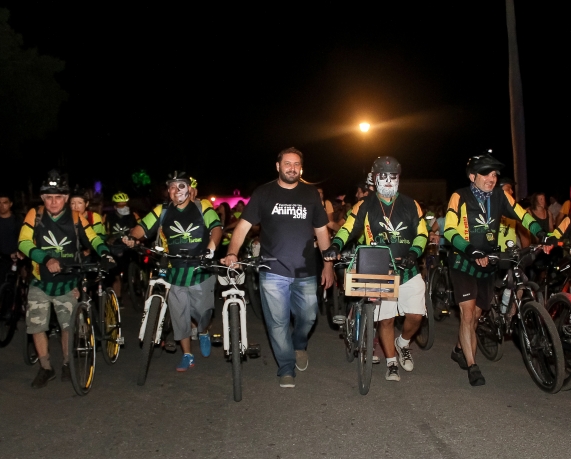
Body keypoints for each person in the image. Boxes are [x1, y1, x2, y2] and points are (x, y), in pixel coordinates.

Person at [221, 147, 334, 388]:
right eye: (287, 163)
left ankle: (299, 344)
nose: (292, 168)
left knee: (309, 316)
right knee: (278, 322)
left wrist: (328, 265)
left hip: (305, 270)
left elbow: (322, 231)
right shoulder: (264, 193)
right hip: (272, 270)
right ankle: (285, 367)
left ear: (300, 168)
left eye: (296, 164)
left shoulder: (311, 193)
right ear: (278, 166)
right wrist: (232, 252)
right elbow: (242, 227)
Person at [443, 153, 553, 386]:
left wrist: (541, 232)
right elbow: (450, 230)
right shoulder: (459, 196)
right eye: (486, 173)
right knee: (468, 313)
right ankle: (472, 366)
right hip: (463, 262)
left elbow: (523, 216)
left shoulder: (500, 196)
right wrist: (471, 250)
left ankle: (458, 348)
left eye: (494, 174)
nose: (492, 178)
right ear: (473, 176)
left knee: (475, 319)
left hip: (488, 263)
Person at [324, 156, 428, 381]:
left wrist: (414, 253)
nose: (389, 181)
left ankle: (403, 343)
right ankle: (391, 363)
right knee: (386, 319)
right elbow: (348, 228)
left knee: (417, 315)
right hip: (378, 270)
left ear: (399, 178)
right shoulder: (365, 205)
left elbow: (422, 233)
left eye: (393, 176)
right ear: (375, 178)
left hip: (408, 268)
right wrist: (335, 245)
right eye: (384, 176)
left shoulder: (411, 204)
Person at [19, 170, 113, 388]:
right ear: (42, 198)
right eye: (49, 197)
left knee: (67, 327)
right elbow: (23, 242)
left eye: (59, 197)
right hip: (40, 281)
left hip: (67, 283)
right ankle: (45, 368)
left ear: (66, 198)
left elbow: (93, 238)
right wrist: (46, 258)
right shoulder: (36, 214)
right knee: (36, 326)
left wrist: (105, 253)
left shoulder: (75, 217)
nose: (54, 201)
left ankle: (67, 364)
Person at [125, 171, 222, 369]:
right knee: (180, 317)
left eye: (181, 186)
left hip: (200, 270)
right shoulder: (162, 210)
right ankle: (187, 354)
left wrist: (211, 247)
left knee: (203, 313)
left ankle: (203, 331)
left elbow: (217, 228)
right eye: (171, 187)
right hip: (174, 271)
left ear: (189, 188)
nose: (176, 190)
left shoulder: (202, 206)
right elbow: (142, 227)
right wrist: (132, 237)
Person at [102, 191, 141, 301]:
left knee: (137, 259)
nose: (123, 207)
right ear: (115, 206)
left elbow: (142, 227)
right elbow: (103, 231)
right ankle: (118, 298)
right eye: (120, 205)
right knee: (115, 274)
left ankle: (137, 283)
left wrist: (138, 238)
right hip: (116, 246)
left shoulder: (133, 215)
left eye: (124, 205)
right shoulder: (108, 217)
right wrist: (108, 239)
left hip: (131, 244)